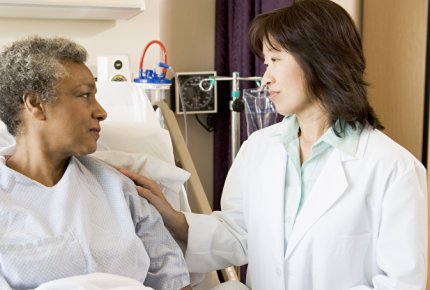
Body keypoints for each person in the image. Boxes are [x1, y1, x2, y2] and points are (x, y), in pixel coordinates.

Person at [120, 0, 428, 289]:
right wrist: (174, 219)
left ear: (321, 60)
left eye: (276, 60)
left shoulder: (394, 168)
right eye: (266, 62)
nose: (265, 77)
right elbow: (238, 233)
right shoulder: (259, 147)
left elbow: (401, 283)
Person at [0, 36, 191, 290]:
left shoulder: (120, 190)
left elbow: (175, 282)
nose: (101, 111)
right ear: (35, 104)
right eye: (85, 95)